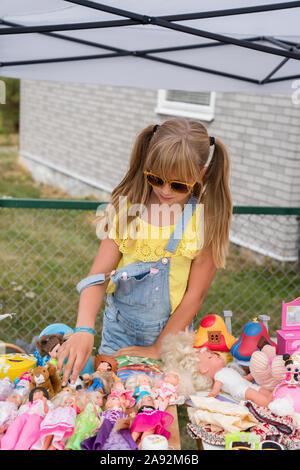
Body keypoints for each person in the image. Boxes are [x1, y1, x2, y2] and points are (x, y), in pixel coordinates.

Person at [57, 117, 232, 386]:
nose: (164, 190)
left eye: (178, 185)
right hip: (118, 333)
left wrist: (158, 348)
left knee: (152, 405)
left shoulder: (204, 222)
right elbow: (98, 276)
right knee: (110, 396)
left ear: (202, 173)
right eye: (156, 178)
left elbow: (194, 297)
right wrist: (83, 328)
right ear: (147, 167)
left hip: (169, 337)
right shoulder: (128, 211)